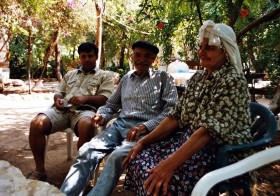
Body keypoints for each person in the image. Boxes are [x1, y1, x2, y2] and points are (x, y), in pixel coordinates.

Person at [122, 20, 252, 195]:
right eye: (200, 46)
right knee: (139, 158)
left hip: (220, 150)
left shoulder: (232, 80)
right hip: (190, 141)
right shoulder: (199, 77)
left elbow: (207, 132)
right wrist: (143, 141)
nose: (201, 52)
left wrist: (168, 165)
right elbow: (175, 116)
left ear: (226, 51)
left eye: (209, 48)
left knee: (164, 182)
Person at [60, 40, 178, 195]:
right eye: (138, 55)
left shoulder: (163, 78)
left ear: (154, 60)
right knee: (87, 150)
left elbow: (171, 111)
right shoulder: (126, 78)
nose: (141, 59)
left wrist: (146, 126)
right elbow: (111, 105)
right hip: (119, 126)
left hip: (144, 131)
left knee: (116, 157)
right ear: (132, 56)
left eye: (147, 56)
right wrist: (102, 114)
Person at [27, 42, 114, 181]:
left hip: (85, 111)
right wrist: (58, 100)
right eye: (83, 56)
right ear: (79, 57)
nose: (87, 59)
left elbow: (106, 99)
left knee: (88, 124)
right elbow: (58, 92)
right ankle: (40, 170)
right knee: (36, 123)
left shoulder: (105, 76)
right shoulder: (70, 74)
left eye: (90, 56)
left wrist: (85, 99)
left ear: (96, 57)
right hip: (62, 111)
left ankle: (80, 174)